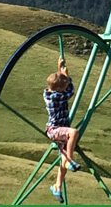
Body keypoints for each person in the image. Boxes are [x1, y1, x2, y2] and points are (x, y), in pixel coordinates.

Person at [44, 58, 81, 202]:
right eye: (63, 86)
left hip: (59, 130)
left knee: (63, 158)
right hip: (55, 130)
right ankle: (70, 160)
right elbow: (70, 91)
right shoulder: (57, 97)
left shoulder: (49, 93)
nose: (65, 87)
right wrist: (67, 76)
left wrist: (59, 69)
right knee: (74, 132)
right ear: (59, 89)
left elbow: (60, 84)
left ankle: (57, 186)